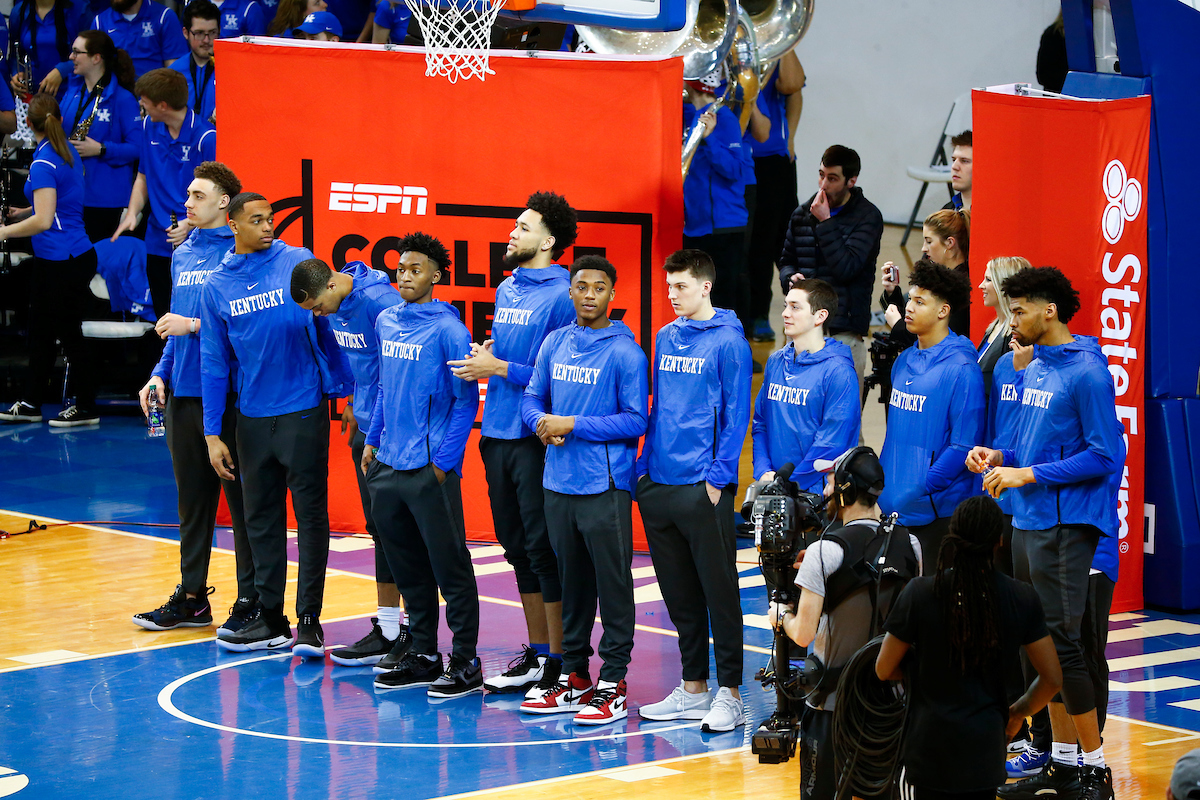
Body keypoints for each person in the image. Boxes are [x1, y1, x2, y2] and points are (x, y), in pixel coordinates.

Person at [967, 266, 1125, 800]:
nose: (1013, 320)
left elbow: (1105, 455)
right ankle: (1060, 763)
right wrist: (1000, 457)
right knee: (1044, 649)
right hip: (1029, 520)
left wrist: (1027, 474)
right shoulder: (1033, 369)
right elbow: (1028, 449)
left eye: (1020, 310)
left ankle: (1095, 769)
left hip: (1067, 524)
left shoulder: (1087, 373)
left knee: (1065, 645)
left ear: (1049, 310)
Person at [200, 192, 351, 658]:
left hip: (303, 411)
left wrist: (344, 388)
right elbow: (212, 361)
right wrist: (211, 432)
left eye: (271, 219)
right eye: (258, 220)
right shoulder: (216, 286)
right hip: (250, 418)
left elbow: (331, 314)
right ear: (234, 225)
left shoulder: (299, 262)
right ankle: (270, 618)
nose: (268, 227)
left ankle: (309, 620)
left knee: (309, 518)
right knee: (260, 519)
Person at [446, 192, 577, 695]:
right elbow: (515, 353)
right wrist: (492, 354)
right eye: (514, 225)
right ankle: (538, 652)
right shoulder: (507, 289)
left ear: (548, 242)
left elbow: (558, 375)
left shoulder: (562, 294)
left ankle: (562, 659)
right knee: (515, 547)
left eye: (523, 227)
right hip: (495, 432)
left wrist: (497, 367)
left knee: (542, 550)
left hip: (533, 437)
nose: (512, 233)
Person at [519, 255, 648, 726]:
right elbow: (532, 396)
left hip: (605, 486)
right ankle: (573, 674)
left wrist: (572, 423)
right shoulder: (554, 342)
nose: (589, 294)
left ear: (612, 295)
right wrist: (539, 423)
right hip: (558, 483)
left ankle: (613, 680)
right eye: (581, 286)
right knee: (571, 583)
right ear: (570, 292)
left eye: (599, 287)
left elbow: (636, 419)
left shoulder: (626, 353)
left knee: (612, 583)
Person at [132, 162, 256, 633]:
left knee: (242, 505)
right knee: (192, 503)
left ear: (224, 203)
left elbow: (245, 327)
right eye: (188, 194)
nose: (187, 202)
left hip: (227, 397)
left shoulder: (242, 254)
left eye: (198, 195)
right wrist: (159, 375)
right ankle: (191, 597)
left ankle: (251, 600)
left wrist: (195, 326)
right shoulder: (183, 253)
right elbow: (175, 330)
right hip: (183, 394)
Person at [360, 232, 483, 698]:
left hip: (429, 469)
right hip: (387, 464)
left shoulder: (450, 329)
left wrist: (443, 464)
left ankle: (466, 663)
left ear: (436, 275)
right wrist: (372, 441)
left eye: (416, 269)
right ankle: (426, 655)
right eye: (401, 269)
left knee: (450, 568)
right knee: (408, 567)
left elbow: (464, 400)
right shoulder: (387, 320)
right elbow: (385, 389)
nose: (406, 276)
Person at [875, 495, 1062, 800]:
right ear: (999, 541)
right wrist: (1018, 713)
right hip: (986, 748)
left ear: (953, 537)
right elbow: (1053, 678)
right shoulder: (1021, 597)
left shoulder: (920, 593)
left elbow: (883, 668)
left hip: (928, 746)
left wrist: (919, 672)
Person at [635, 249, 751, 733]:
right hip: (660, 484)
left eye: (680, 286)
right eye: (668, 286)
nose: (671, 294)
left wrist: (719, 478)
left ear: (705, 287)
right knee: (680, 596)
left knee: (719, 593)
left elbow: (735, 411)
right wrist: (644, 470)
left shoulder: (730, 343)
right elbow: (659, 406)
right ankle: (694, 689)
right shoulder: (664, 336)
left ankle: (731, 693)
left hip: (703, 487)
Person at [769, 446, 921, 800]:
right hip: (889, 704)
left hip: (831, 706)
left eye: (830, 482)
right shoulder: (910, 544)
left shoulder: (825, 551)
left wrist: (781, 617)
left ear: (846, 491)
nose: (824, 492)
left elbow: (803, 633)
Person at [289, 256, 407, 667]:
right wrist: (355, 401)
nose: (319, 315)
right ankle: (390, 628)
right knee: (379, 527)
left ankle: (410, 631)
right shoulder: (336, 304)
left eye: (318, 307)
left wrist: (379, 430)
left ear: (332, 286)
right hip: (366, 422)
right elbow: (366, 365)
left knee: (398, 530)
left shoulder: (379, 303)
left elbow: (398, 369)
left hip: (392, 430)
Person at [878, 260, 983, 572]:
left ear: (943, 311)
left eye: (919, 302)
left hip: (936, 514)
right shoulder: (904, 360)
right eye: (910, 299)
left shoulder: (963, 369)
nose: (908, 307)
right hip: (893, 507)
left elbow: (963, 447)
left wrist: (919, 488)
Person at [0, 94, 98, 428]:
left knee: (68, 334)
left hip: (62, 258)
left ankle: (86, 406)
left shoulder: (43, 162)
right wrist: (22, 211)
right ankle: (30, 402)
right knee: (41, 332)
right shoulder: (65, 150)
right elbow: (57, 201)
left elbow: (44, 221)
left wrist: (3, 231)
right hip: (63, 255)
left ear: (30, 123)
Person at [111, 67, 216, 319]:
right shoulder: (149, 126)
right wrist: (133, 211)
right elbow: (143, 175)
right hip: (157, 241)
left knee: (193, 318)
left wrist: (190, 223)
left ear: (163, 105)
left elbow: (219, 195)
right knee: (162, 317)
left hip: (196, 244)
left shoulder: (206, 138)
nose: (140, 105)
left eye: (144, 101)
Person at [778, 144, 883, 391]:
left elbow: (847, 268)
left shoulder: (868, 217)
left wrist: (825, 223)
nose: (823, 185)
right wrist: (789, 278)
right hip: (802, 328)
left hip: (843, 331)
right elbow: (786, 260)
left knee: (845, 421)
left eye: (833, 178)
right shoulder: (802, 214)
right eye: (821, 175)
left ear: (851, 181)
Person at [752, 276, 860, 493]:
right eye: (785, 306)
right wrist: (764, 471)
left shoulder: (839, 372)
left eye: (795, 307)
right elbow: (761, 423)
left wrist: (789, 483)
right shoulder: (775, 362)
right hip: (773, 486)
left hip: (814, 495)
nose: (785, 313)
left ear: (820, 316)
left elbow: (831, 443)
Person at [682, 73, 750, 333]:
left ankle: (733, 353)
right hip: (694, 226)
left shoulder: (724, 118)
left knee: (722, 300)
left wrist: (709, 137)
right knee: (695, 300)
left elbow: (735, 170)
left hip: (723, 226)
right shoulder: (687, 112)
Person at [60, 30, 140, 242]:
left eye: (77, 52)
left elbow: (138, 147)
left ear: (96, 58)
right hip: (72, 194)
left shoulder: (123, 99)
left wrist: (101, 149)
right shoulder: (72, 92)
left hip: (105, 200)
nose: (71, 57)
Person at [746, 50, 804, 343]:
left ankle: (782, 310)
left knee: (780, 239)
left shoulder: (775, 46)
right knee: (749, 241)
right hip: (739, 154)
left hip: (774, 157)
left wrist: (790, 137)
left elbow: (793, 87)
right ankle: (751, 311)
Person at [882, 209, 971, 344]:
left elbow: (933, 339)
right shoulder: (940, 278)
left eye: (929, 242)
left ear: (949, 243)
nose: (924, 248)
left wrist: (898, 326)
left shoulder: (959, 289)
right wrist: (892, 291)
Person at [976, 256, 1030, 402]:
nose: (981, 285)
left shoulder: (1016, 335)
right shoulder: (993, 328)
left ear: (1004, 285)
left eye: (988, 280)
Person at [89, 0, 188, 78]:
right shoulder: (100, 22)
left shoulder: (164, 17)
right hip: (114, 96)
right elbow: (93, 68)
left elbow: (174, 68)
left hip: (154, 95)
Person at [7, 0, 85, 97]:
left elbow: (90, 54)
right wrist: (17, 73)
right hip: (32, 97)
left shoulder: (79, 9)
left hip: (71, 93)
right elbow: (15, 56)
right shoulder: (19, 12)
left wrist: (62, 71)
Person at [168, 1, 218, 125]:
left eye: (212, 33)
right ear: (185, 33)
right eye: (199, 33)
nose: (207, 40)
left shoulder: (231, 70)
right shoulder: (173, 72)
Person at [945, 131, 973, 211]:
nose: (954, 167)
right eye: (954, 160)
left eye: (964, 161)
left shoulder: (995, 215)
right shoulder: (946, 213)